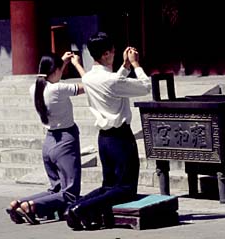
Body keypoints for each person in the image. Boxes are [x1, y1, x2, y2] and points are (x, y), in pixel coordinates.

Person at [64, 31, 152, 230]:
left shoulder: (88, 78)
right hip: (120, 138)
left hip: (104, 139)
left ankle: (74, 207)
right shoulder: (112, 81)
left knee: (109, 186)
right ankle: (82, 208)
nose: (115, 53)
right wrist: (136, 64)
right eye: (112, 51)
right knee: (126, 188)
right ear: (105, 54)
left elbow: (113, 83)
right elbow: (145, 86)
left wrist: (124, 66)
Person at [6, 51, 86, 225]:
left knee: (56, 188)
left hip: (49, 142)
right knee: (70, 192)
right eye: (60, 69)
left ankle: (19, 204)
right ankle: (31, 207)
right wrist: (77, 64)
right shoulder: (59, 89)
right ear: (56, 70)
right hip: (66, 140)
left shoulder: (34, 87)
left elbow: (50, 76)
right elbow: (90, 85)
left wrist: (61, 63)